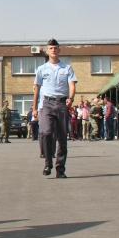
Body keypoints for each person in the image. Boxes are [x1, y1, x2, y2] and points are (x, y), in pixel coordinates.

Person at [31, 39, 77, 178]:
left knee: (62, 139)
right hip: (47, 105)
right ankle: (47, 162)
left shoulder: (67, 68)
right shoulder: (41, 69)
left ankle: (60, 169)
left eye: (56, 48)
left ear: (59, 50)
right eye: (51, 48)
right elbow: (36, 90)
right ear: (47, 50)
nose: (53, 50)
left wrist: (71, 98)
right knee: (45, 132)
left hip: (62, 104)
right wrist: (34, 108)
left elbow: (72, 85)